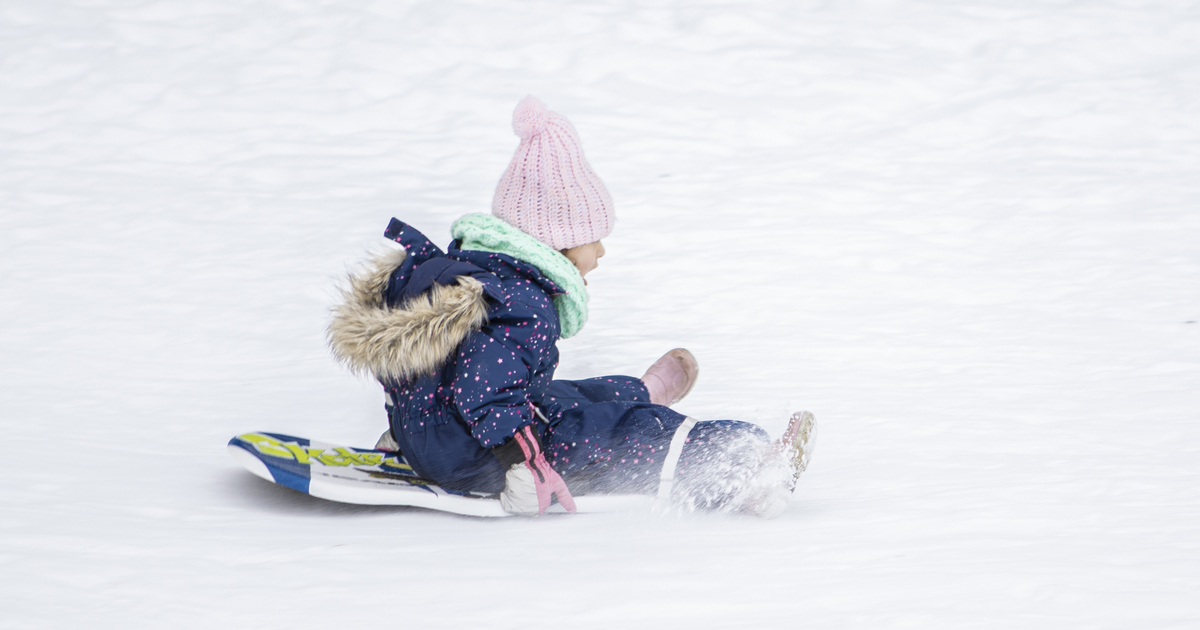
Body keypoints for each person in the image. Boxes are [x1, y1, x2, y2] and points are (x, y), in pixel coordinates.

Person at [328, 95, 814, 517]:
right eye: (592, 240)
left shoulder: (476, 275)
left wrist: (410, 432)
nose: (600, 252)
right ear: (557, 244)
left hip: (439, 434)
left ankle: (636, 389)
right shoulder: (520, 303)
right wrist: (527, 466)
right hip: (481, 455)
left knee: (563, 397)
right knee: (627, 430)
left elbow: (441, 375)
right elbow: (487, 399)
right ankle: (746, 467)